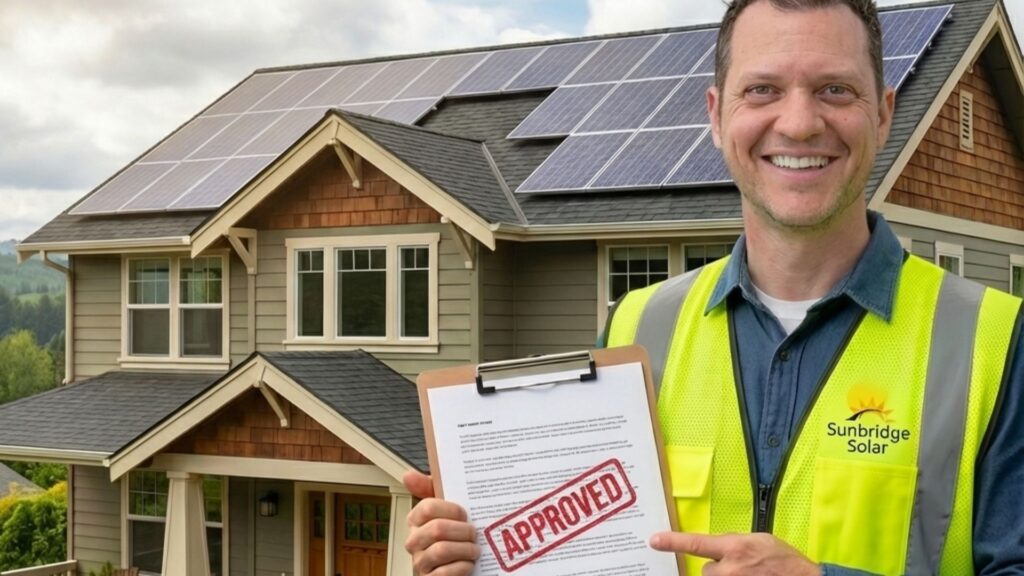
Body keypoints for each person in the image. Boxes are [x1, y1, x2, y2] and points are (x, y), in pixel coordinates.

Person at [402, 0, 1024, 574]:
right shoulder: (636, 330)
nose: (801, 123)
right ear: (716, 113)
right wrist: (481, 551)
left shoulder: (993, 343)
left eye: (835, 89)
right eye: (763, 90)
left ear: (884, 113)